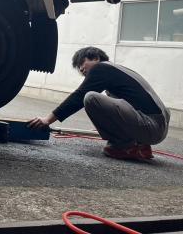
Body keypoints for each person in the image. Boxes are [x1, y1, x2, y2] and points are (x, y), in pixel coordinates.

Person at [28, 46, 170, 161]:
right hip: (157, 127)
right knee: (101, 99)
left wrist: (48, 119)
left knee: (90, 98)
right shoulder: (118, 71)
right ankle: (141, 146)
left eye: (82, 64)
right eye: (79, 69)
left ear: (95, 58)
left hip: (150, 126)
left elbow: (79, 96)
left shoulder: (101, 67)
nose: (82, 70)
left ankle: (125, 146)